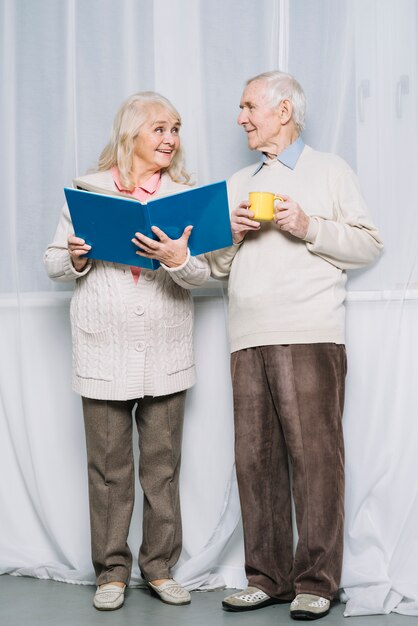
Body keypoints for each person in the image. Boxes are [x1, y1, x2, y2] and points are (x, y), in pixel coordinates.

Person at [208, 71, 383, 621]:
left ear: (283, 111)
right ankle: (267, 577)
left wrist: (308, 224)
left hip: (310, 333)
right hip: (246, 336)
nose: (240, 117)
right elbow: (215, 268)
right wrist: (230, 237)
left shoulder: (330, 170)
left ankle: (317, 581)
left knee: (315, 463)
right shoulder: (237, 183)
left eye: (247, 106)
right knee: (253, 463)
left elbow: (369, 243)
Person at [44, 92, 210, 611]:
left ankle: (159, 567)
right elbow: (52, 262)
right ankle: (111, 572)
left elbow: (202, 274)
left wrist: (179, 259)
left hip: (165, 350)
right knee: (109, 471)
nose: (170, 138)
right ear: (131, 133)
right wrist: (75, 258)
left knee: (161, 469)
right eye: (160, 128)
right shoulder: (87, 191)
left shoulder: (187, 196)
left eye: (176, 129)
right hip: (102, 352)